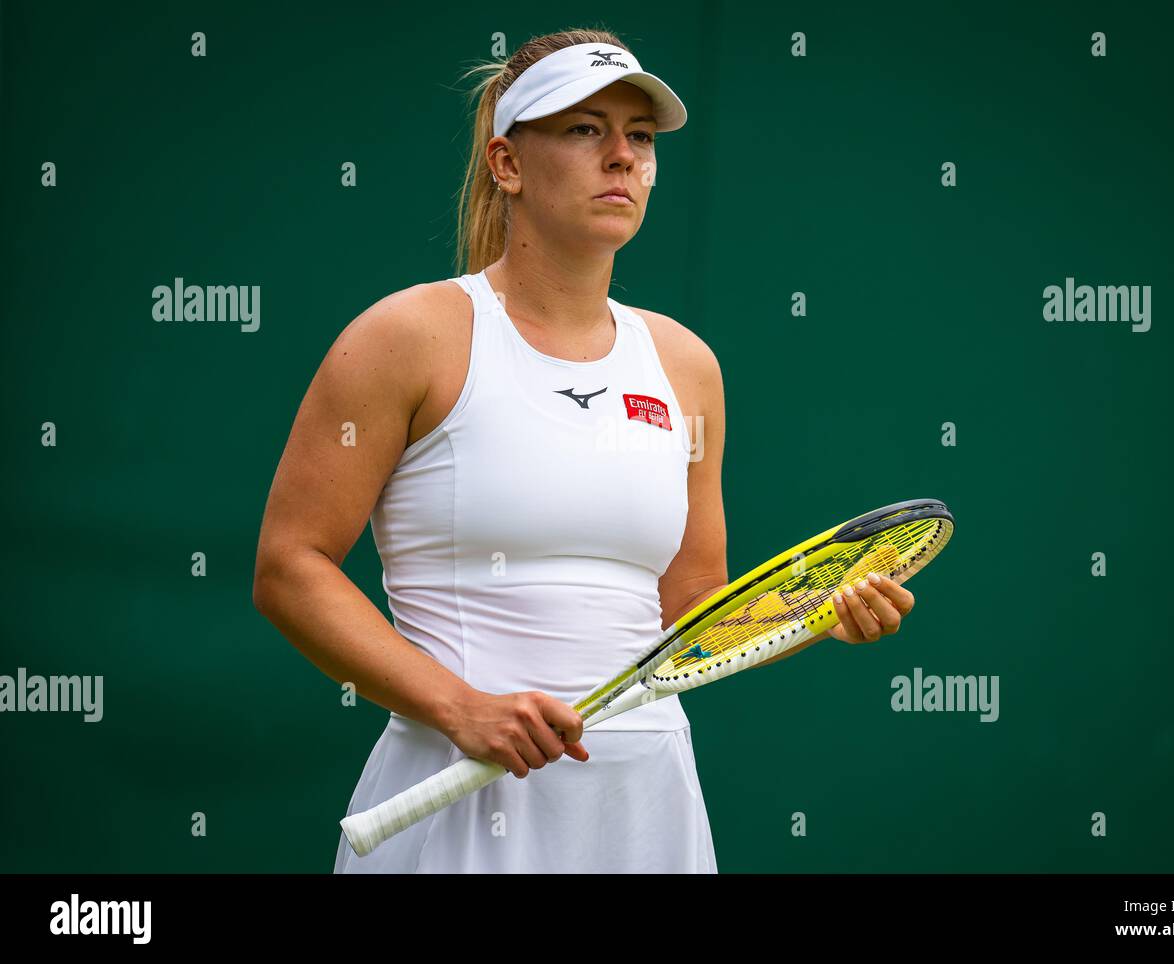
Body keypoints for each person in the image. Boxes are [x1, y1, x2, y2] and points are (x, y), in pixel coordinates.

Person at [252, 27, 916, 874]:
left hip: (647, 803)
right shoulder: (408, 335)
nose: (622, 158)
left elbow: (695, 609)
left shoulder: (686, 365)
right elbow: (289, 566)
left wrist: (822, 617)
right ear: (507, 163)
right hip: (457, 793)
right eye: (583, 129)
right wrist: (463, 709)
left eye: (639, 138)